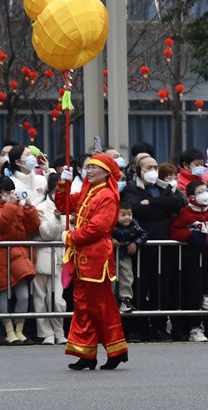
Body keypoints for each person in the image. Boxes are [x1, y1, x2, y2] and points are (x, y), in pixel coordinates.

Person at [55, 154, 128, 369]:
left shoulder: (107, 195)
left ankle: (116, 350)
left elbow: (99, 228)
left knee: (101, 307)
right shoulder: (87, 191)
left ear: (107, 172)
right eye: (89, 166)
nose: (90, 170)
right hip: (81, 258)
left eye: (95, 167)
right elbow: (64, 205)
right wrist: (63, 183)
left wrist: (70, 237)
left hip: (96, 258)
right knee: (83, 306)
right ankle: (86, 354)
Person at [121, 155, 184, 341]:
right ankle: (137, 329)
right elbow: (136, 209)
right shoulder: (132, 189)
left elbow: (176, 204)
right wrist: (159, 209)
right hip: (140, 248)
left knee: (161, 290)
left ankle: (159, 327)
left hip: (163, 248)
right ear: (138, 170)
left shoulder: (163, 188)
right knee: (139, 288)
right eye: (148, 168)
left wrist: (153, 204)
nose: (153, 171)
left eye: (155, 167)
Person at [169, 180, 208, 342]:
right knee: (193, 293)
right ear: (191, 197)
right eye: (200, 192)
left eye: (206, 191)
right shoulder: (187, 213)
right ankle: (194, 328)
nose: (205, 195)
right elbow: (175, 231)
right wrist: (191, 236)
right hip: (192, 257)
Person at [0, 176, 40, 345]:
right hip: (2, 255)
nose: (10, 194)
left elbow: (32, 228)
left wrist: (30, 210)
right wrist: (10, 204)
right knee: (4, 293)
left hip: (20, 254)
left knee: (23, 295)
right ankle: (8, 331)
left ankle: (19, 330)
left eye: (11, 191)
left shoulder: (17, 207)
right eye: (6, 192)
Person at [32, 173, 68, 345]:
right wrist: (56, 218)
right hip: (43, 255)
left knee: (57, 300)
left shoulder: (71, 206)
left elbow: (71, 231)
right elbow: (46, 233)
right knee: (40, 297)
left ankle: (59, 332)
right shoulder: (40, 207)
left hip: (61, 258)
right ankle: (46, 333)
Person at [111, 201, 148, 314]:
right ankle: (111, 299)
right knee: (111, 277)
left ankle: (125, 299)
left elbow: (144, 234)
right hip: (110, 254)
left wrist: (136, 243)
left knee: (127, 275)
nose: (127, 218)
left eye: (129, 214)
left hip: (125, 254)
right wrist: (110, 239)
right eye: (123, 215)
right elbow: (103, 233)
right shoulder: (110, 224)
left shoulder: (134, 225)